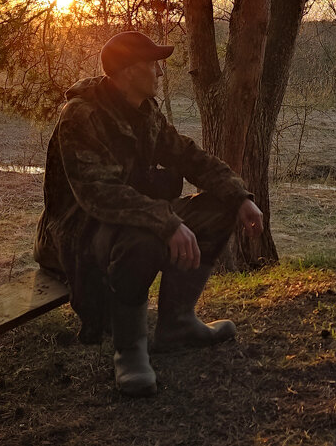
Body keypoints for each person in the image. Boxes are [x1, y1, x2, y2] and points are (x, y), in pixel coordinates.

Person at [34, 30, 264, 397]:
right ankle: (129, 351)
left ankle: (177, 323)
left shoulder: (145, 112)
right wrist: (166, 221)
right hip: (76, 233)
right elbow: (99, 195)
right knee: (145, 235)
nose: (160, 72)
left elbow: (188, 155)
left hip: (124, 219)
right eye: (153, 64)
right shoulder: (81, 116)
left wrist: (239, 197)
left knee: (218, 209)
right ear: (127, 72)